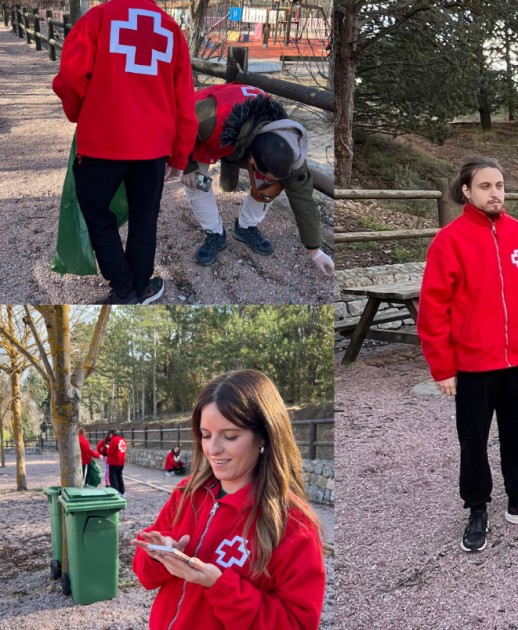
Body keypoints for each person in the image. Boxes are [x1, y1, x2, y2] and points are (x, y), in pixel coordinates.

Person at [417, 157, 518, 553]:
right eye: (485, 186)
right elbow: (433, 310)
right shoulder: (449, 240)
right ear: (466, 190)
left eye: (499, 185)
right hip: (473, 366)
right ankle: (477, 507)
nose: (495, 192)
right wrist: (443, 368)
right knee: (474, 440)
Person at [132, 370, 326, 628]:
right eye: (206, 434)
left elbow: (298, 623)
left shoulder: (293, 523)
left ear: (263, 437)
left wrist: (220, 586)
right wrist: (156, 556)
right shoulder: (185, 493)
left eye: (230, 436)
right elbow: (145, 577)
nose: (213, 449)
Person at [52, 0, 197, 304]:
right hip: (154, 147)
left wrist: (84, 114)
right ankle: (140, 285)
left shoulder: (97, 19)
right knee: (145, 217)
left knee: (94, 210)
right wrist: (180, 156)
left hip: (103, 141)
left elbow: (70, 80)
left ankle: (123, 285)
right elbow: (185, 101)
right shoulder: (170, 29)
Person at [180, 83, 334, 276]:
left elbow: (302, 195)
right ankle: (214, 233)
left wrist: (315, 251)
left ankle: (245, 227)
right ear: (251, 160)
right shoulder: (208, 117)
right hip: (200, 129)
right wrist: (187, 166)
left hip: (245, 132)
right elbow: (179, 125)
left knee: (270, 186)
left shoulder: (290, 148)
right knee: (196, 182)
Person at [102, 428, 128, 495]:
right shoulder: (122, 439)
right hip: (121, 462)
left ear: (111, 434)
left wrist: (107, 449)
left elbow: (110, 452)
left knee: (113, 478)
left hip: (114, 462)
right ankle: (122, 491)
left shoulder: (114, 439)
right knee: (119, 477)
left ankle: (116, 492)